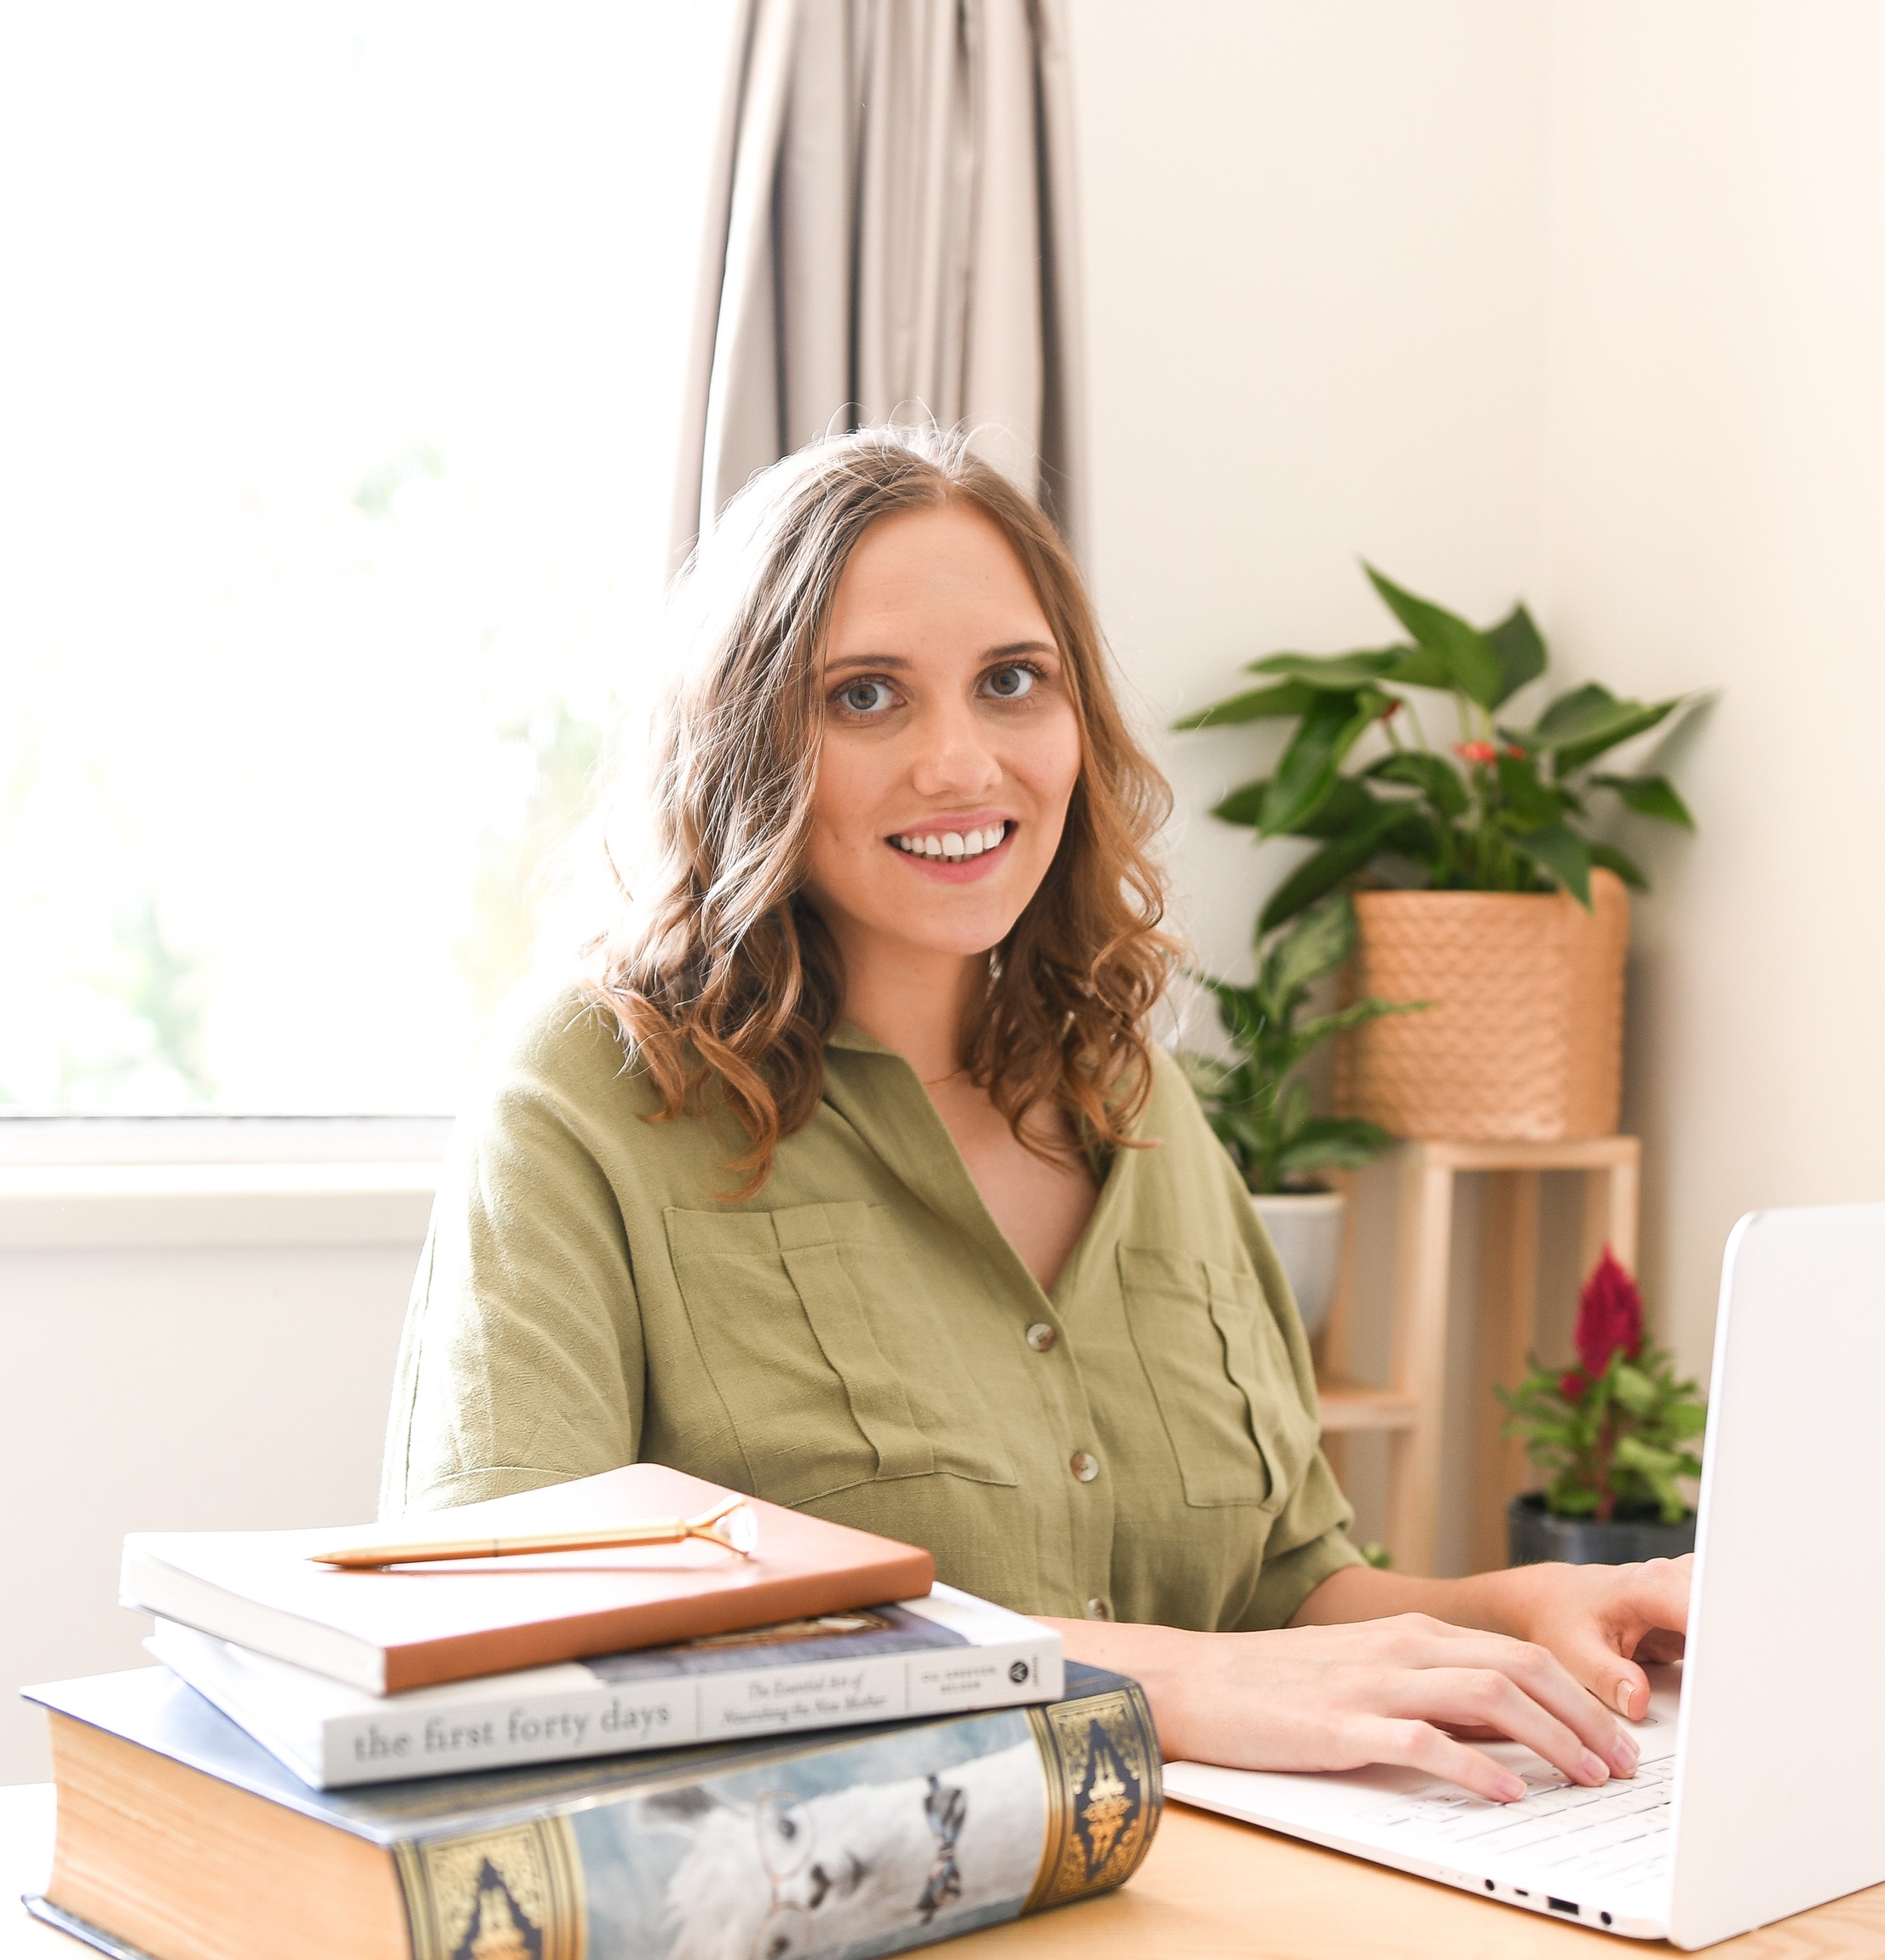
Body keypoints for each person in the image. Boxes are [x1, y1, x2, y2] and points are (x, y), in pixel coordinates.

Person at [383, 425, 1686, 1803]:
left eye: (1012, 681)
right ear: (745, 740)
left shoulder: (1138, 1103)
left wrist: (1512, 1610)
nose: (961, 763)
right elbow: (505, 1619)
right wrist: (1147, 1679)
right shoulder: (589, 1092)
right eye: (865, 697)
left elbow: (1286, 1596)